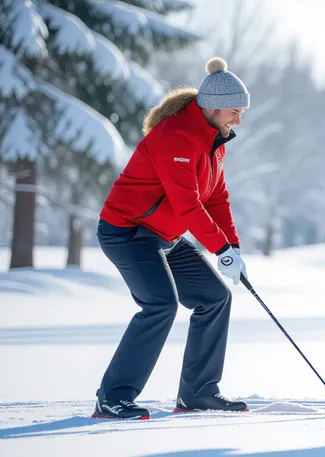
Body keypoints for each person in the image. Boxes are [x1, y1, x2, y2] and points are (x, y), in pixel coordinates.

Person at [92, 57, 250, 420]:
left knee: (214, 298)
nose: (238, 120)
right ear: (211, 107)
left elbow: (215, 197)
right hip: (127, 231)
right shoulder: (176, 136)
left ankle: (198, 392)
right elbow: (187, 202)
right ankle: (112, 397)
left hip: (165, 235)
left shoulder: (215, 140)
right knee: (160, 304)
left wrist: (233, 247)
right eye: (234, 111)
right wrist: (219, 249)